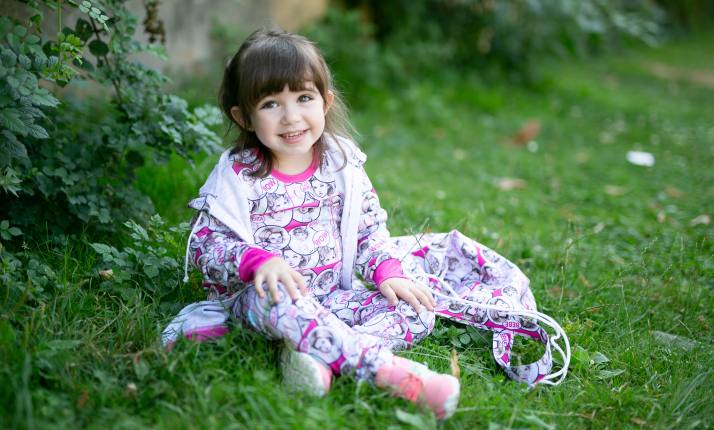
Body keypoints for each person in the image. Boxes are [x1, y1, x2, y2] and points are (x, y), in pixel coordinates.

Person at [164, 28, 569, 421]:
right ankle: (394, 375)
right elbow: (205, 246)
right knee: (278, 300)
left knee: (416, 307)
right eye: (271, 104)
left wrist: (387, 271)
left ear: (325, 101)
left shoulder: (340, 164)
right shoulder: (238, 176)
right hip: (264, 300)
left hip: (333, 299)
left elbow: (368, 230)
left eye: (304, 98)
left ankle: (314, 355)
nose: (291, 117)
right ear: (245, 117)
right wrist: (257, 261)